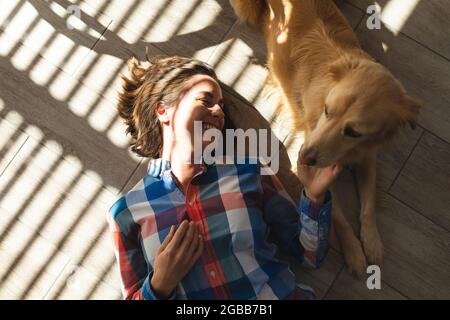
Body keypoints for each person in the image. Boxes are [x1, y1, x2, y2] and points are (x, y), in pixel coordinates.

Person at [108, 55, 341, 300]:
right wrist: (159, 285)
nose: (218, 111)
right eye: (206, 100)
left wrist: (314, 196)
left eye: (221, 105)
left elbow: (309, 255)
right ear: (163, 110)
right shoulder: (125, 213)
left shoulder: (250, 172)